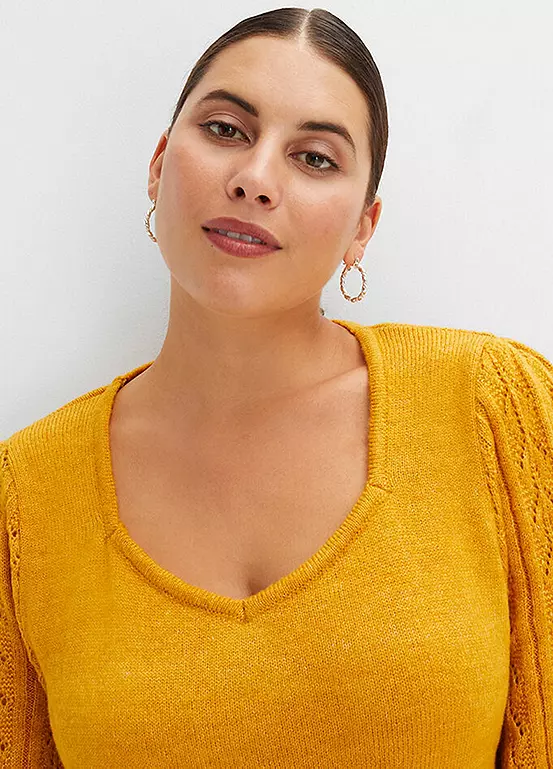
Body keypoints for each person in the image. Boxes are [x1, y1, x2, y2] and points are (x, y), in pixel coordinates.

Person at [0, 7, 551, 768]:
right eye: (226, 129)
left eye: (315, 158)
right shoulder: (25, 498)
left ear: (363, 227)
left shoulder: (494, 406)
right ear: (159, 164)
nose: (255, 180)